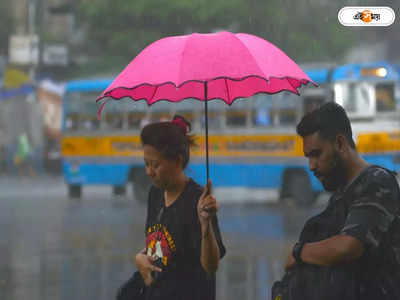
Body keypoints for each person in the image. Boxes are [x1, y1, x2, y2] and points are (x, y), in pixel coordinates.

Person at [278, 102, 400, 299]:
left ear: (341, 144)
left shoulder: (376, 182)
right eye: (308, 157)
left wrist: (299, 252)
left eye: (316, 154)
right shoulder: (341, 194)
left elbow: (349, 246)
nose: (311, 166)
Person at [135, 115, 226, 300]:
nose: (149, 172)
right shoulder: (155, 195)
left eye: (155, 165)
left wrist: (205, 224)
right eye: (146, 164)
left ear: (177, 161)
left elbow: (211, 266)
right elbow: (158, 249)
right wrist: (141, 258)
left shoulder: (198, 200)